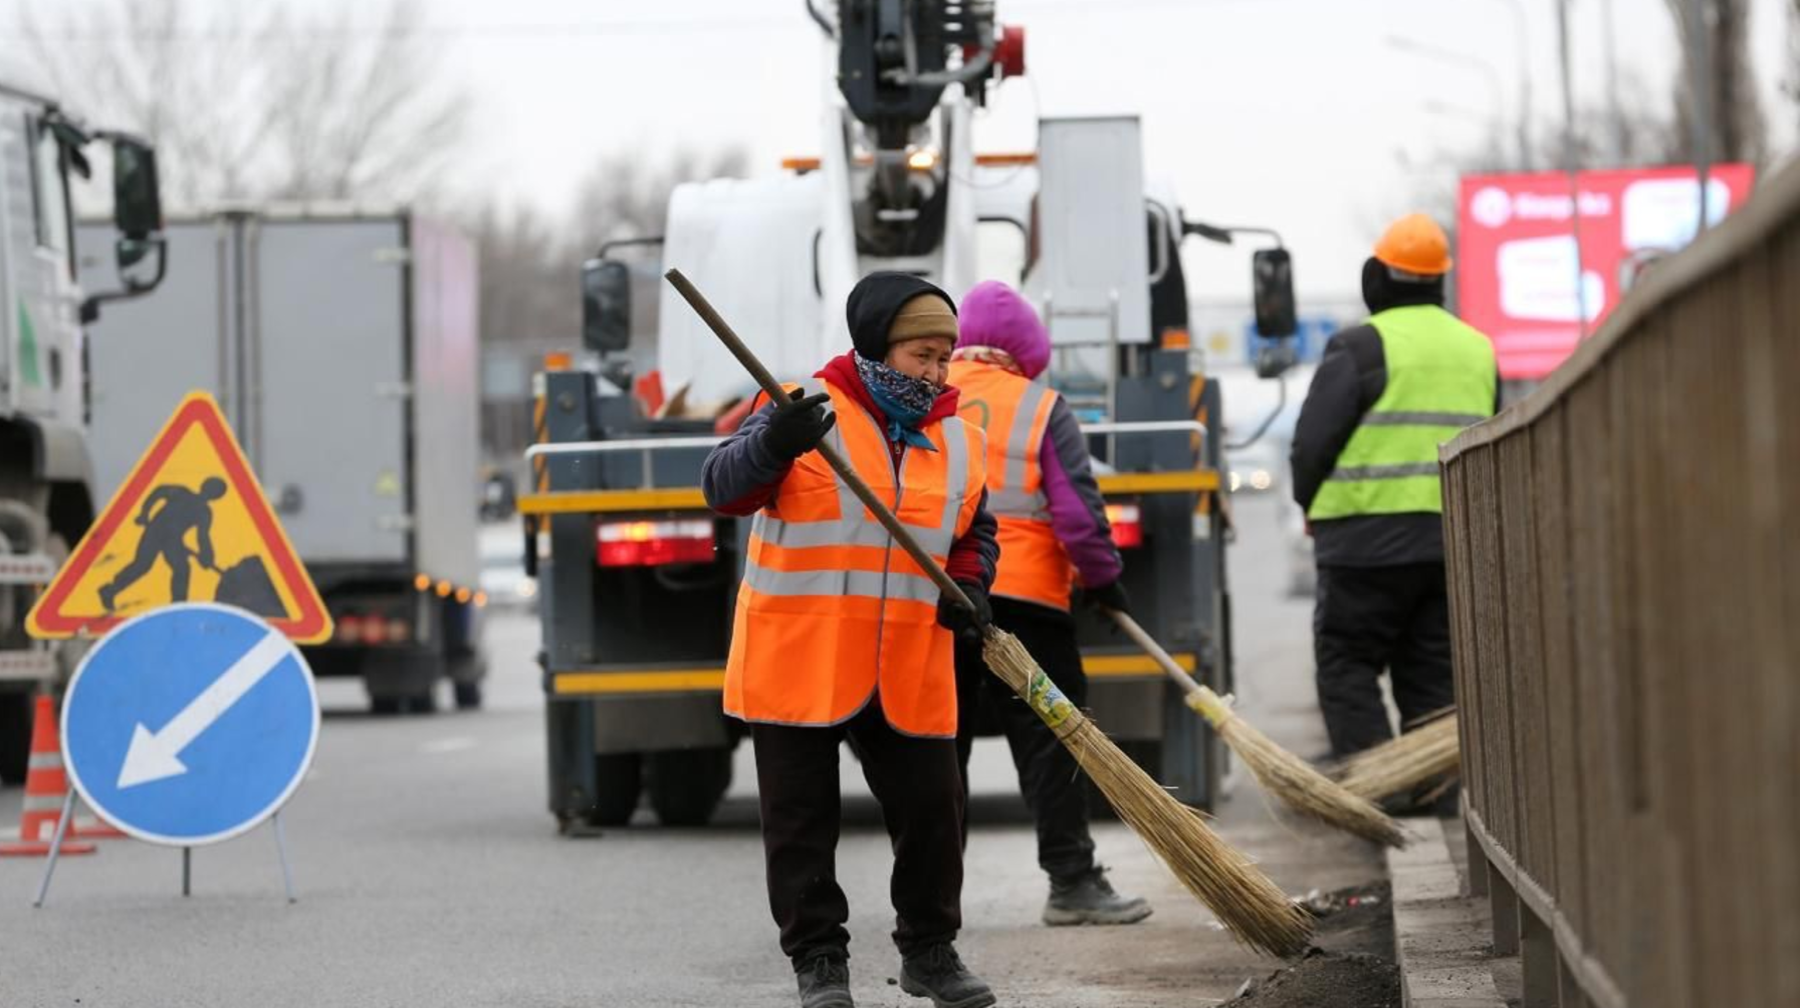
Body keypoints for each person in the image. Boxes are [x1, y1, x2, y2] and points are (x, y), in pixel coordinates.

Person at [701, 272, 1000, 1008]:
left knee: (935, 813)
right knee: (801, 826)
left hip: (907, 662)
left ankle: (931, 952)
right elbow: (722, 488)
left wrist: (973, 584)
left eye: (944, 356)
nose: (935, 372)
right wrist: (774, 442)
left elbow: (972, 532)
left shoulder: (960, 438)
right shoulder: (802, 408)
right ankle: (819, 965)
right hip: (798, 657)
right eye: (921, 354)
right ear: (876, 347)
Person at [945, 280, 1152, 927]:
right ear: (1027, 350)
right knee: (1053, 739)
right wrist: (1102, 578)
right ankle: (1072, 883)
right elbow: (1077, 514)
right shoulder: (1040, 406)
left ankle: (929, 902)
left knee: (935, 751)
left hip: (941, 601)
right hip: (1027, 602)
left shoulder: (926, 396)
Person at [1289, 213, 1499, 782]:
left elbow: (1313, 443)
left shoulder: (1361, 346)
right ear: (1439, 280)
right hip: (1448, 542)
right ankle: (1437, 789)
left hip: (1362, 541)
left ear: (1376, 278)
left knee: (1347, 665)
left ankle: (1386, 790)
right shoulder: (1478, 349)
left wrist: (1308, 503)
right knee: (1432, 673)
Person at [98, 476, 228, 610]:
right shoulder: (182, 493)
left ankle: (177, 607)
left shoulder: (204, 512)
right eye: (212, 489)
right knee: (143, 565)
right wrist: (144, 513)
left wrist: (207, 556)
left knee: (181, 569)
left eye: (215, 491)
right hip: (155, 532)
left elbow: (203, 537)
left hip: (173, 540)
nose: (210, 493)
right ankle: (110, 590)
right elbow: (158, 492)